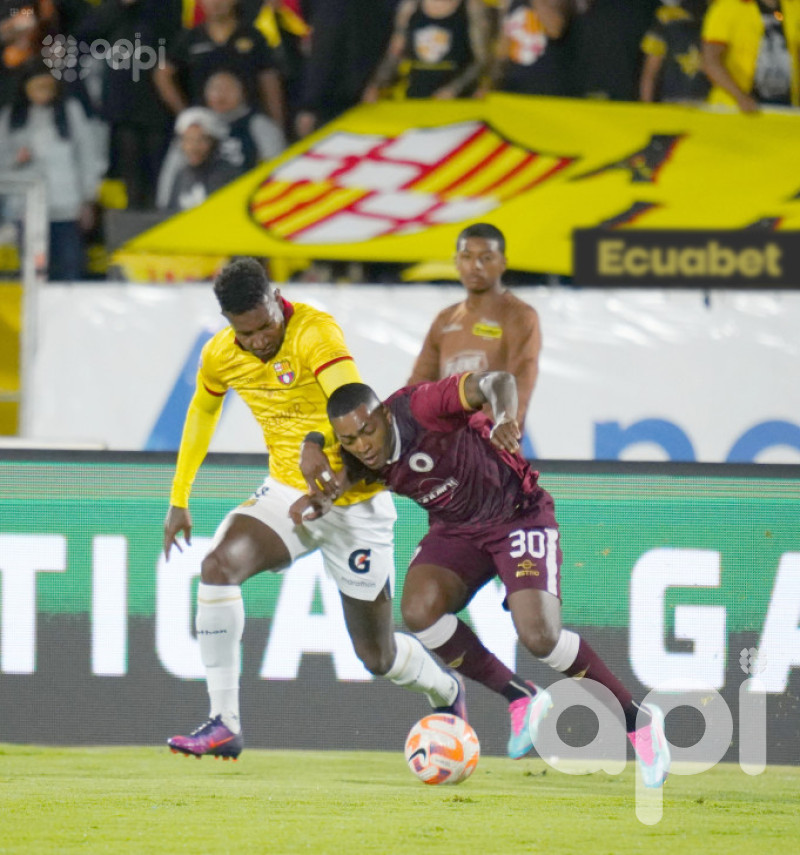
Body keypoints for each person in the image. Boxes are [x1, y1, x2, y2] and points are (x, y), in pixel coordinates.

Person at [291, 372, 671, 786]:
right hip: (456, 531)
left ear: (383, 413)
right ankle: (520, 696)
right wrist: (321, 494)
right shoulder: (358, 454)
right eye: (350, 439)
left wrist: (506, 415)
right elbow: (336, 475)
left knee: (540, 638)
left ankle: (639, 722)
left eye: (367, 430)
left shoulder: (421, 408)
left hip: (516, 514)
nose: (363, 444)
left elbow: (498, 380)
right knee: (419, 612)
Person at [163, 257, 465, 759]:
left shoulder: (314, 333)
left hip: (355, 503)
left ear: (275, 297)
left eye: (265, 325)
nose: (259, 340)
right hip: (288, 494)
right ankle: (224, 723)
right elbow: (202, 411)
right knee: (217, 568)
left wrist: (312, 439)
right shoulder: (220, 354)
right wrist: (179, 498)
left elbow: (360, 407)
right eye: (246, 334)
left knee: (378, 656)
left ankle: (446, 691)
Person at [408, 222, 540, 428]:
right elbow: (418, 386)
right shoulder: (445, 319)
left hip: (490, 447)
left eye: (486, 258)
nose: (475, 266)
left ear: (503, 263)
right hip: (445, 446)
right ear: (456, 262)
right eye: (467, 257)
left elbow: (519, 384)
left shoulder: (519, 316)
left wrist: (492, 429)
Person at [0, 60, 102, 281]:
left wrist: (87, 199)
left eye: (48, 87)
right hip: (26, 211)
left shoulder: (70, 112)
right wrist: (14, 160)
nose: (43, 93)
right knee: (35, 274)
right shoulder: (11, 118)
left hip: (66, 208)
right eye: (38, 88)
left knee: (71, 270)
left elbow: (87, 157)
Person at [362, 0, 491, 102]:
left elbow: (482, 59)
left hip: (457, 102)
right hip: (416, 98)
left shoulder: (472, 7)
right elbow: (395, 54)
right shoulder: (410, 7)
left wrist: (453, 90)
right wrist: (376, 84)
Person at [701, 0, 800, 113]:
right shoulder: (728, 7)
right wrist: (740, 96)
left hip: (787, 108)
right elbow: (710, 61)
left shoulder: (795, 7)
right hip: (735, 109)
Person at [156, 107, 242, 211]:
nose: (193, 148)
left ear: (214, 143)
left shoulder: (230, 175)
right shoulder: (181, 175)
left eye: (201, 140)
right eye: (188, 140)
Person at [490, 0, 576, 97]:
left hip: (546, 86)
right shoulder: (511, 3)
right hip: (513, 84)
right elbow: (502, 50)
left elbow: (555, 30)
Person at [639, 1, 710, 104]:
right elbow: (650, 72)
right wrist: (647, 110)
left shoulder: (719, 14)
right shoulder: (668, 16)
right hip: (673, 102)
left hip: (712, 104)